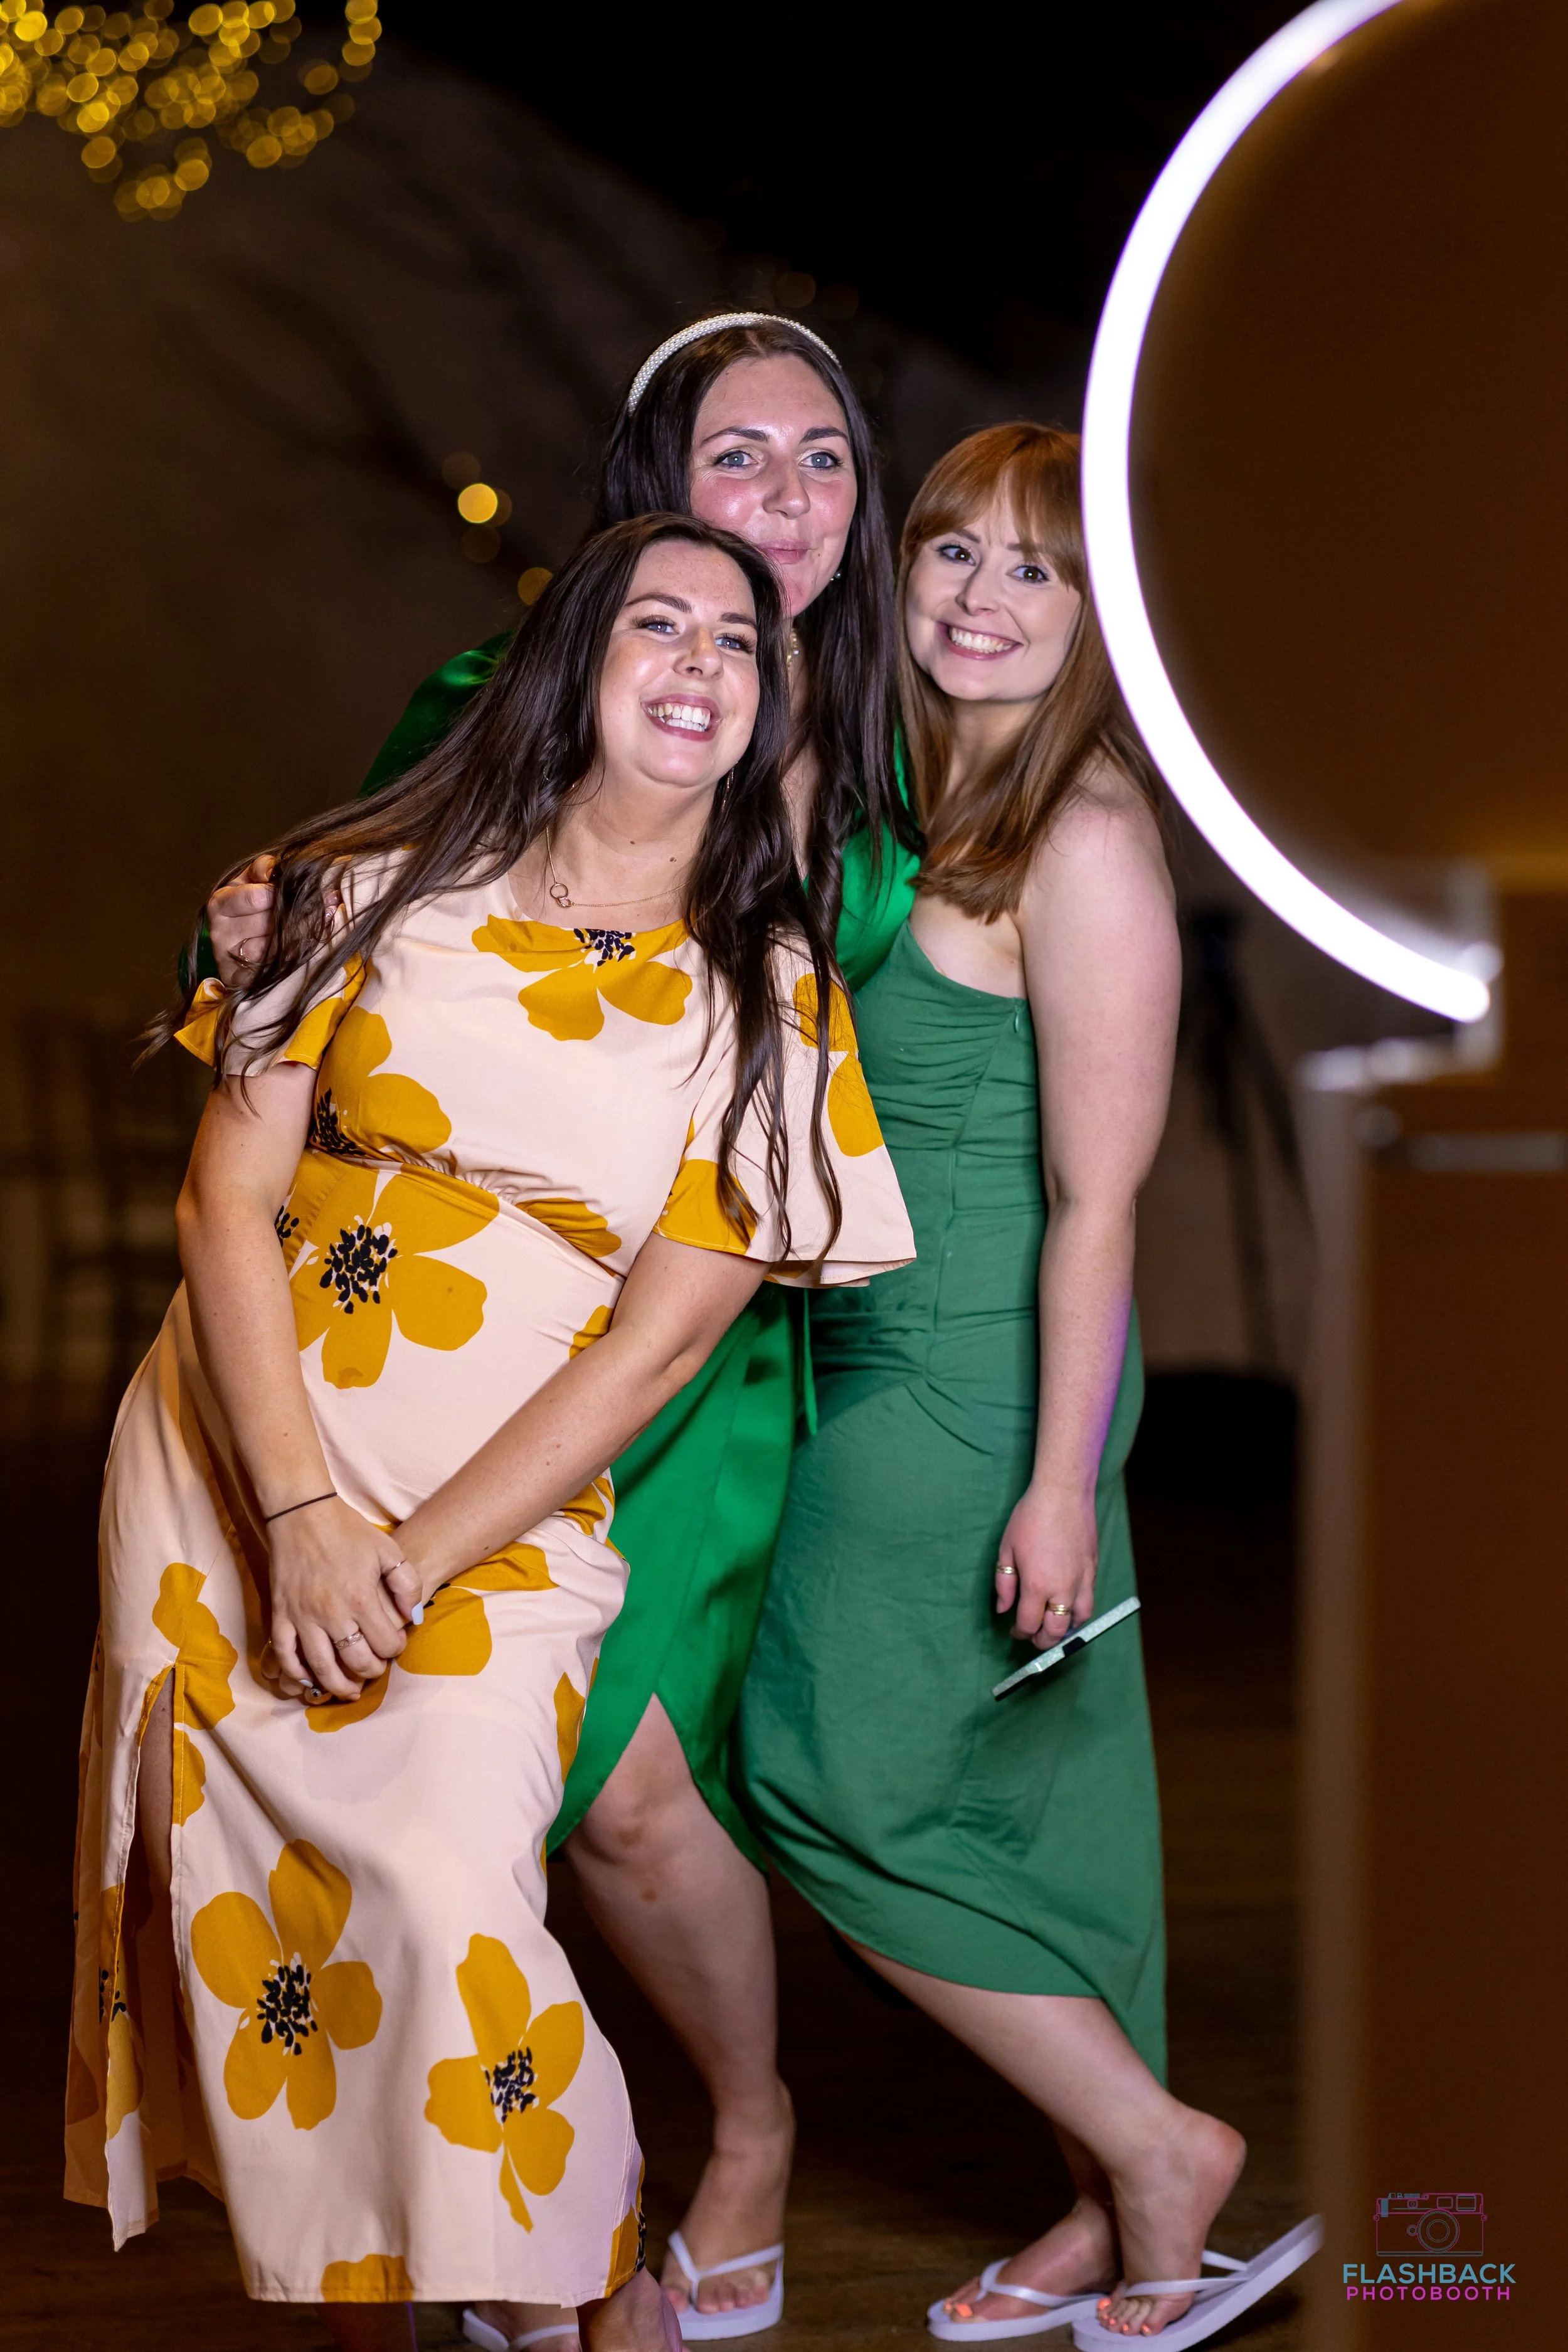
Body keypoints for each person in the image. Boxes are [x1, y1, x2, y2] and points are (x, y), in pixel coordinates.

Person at [66, 513, 914, 2352]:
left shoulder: (773, 1009)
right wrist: (296, 1512)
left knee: (449, 1884)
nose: (702, 658)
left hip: (492, 1511)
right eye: (655, 625)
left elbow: (651, 1355)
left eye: (741, 644)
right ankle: (430, 2301)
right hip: (234, 1459)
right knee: (280, 1909)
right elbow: (226, 1206)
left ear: (769, 711)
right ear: (570, 670)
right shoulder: (360, 886)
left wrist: (404, 1553)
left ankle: (576, 2274)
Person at [740, 426, 1316, 2348]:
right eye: (953, 554)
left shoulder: (1075, 835)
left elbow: (1098, 1204)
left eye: (1035, 571)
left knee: (820, 1768)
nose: (982, 598)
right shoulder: (893, 796)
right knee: (1040, 1793)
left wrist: (1057, 1476)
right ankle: (1105, 2208)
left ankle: (1156, 2149)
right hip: (877, 1343)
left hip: (989, 1368)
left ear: (1096, 614)